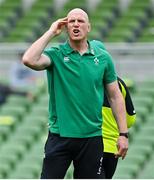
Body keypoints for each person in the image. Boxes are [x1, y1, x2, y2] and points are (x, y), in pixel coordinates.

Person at [22, 8, 128, 179]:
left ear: (88, 27)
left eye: (80, 21)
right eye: (71, 21)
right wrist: (51, 31)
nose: (76, 24)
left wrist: (123, 134)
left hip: (91, 137)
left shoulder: (103, 58)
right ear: (66, 27)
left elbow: (115, 96)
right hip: (59, 136)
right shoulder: (56, 55)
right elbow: (29, 59)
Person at [102, 77, 136, 178]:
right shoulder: (118, 83)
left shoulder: (83, 79)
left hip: (88, 144)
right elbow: (130, 120)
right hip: (112, 148)